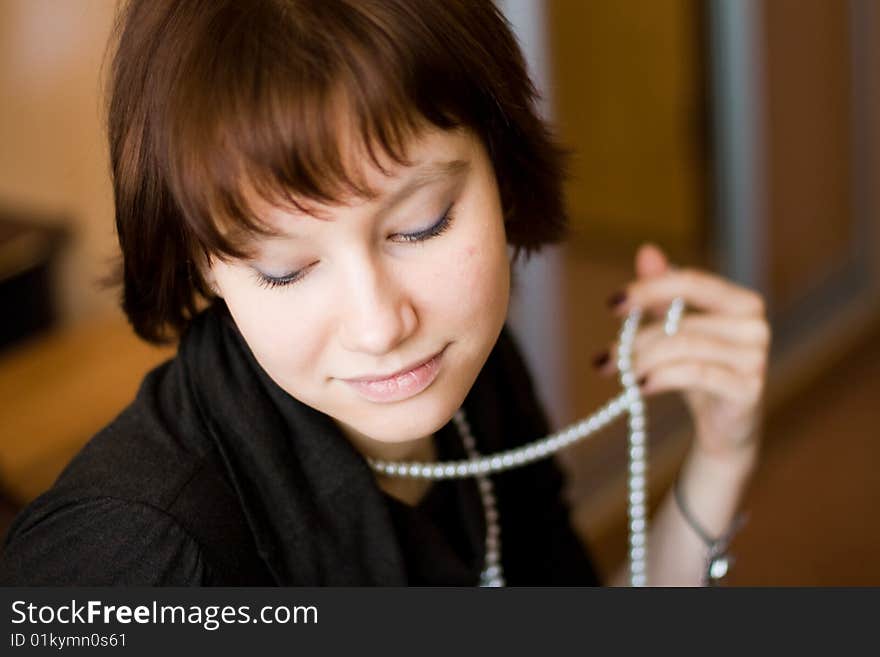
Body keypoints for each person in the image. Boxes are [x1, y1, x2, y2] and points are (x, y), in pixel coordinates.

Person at [0, 0, 770, 586]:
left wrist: (718, 453)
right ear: (205, 266)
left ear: (499, 166)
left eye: (421, 224)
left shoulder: (473, 379)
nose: (381, 327)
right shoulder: (134, 555)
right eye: (286, 268)